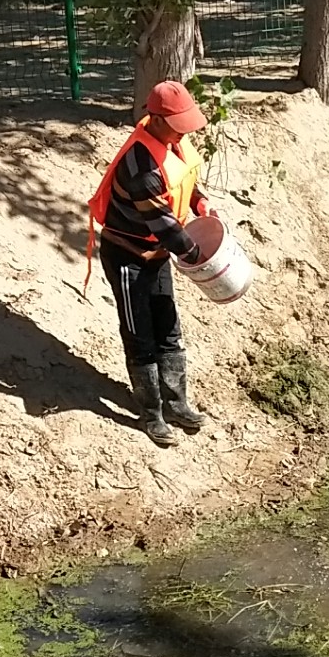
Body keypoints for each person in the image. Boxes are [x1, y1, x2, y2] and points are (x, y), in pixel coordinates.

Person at [87, 79, 211, 449]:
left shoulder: (173, 143)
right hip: (128, 256)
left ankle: (178, 404)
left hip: (156, 254)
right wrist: (198, 258)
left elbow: (187, 184)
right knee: (140, 333)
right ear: (155, 119)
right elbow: (164, 225)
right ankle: (151, 413)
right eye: (178, 123)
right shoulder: (140, 165)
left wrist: (202, 206)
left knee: (168, 327)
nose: (185, 130)